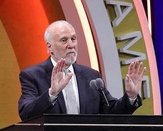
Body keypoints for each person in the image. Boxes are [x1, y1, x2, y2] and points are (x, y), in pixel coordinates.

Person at [18, 20, 146, 120]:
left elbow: (111, 112)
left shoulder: (91, 76)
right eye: (64, 40)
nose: (71, 45)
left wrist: (131, 96)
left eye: (73, 39)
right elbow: (26, 113)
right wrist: (51, 94)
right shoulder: (32, 76)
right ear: (50, 47)